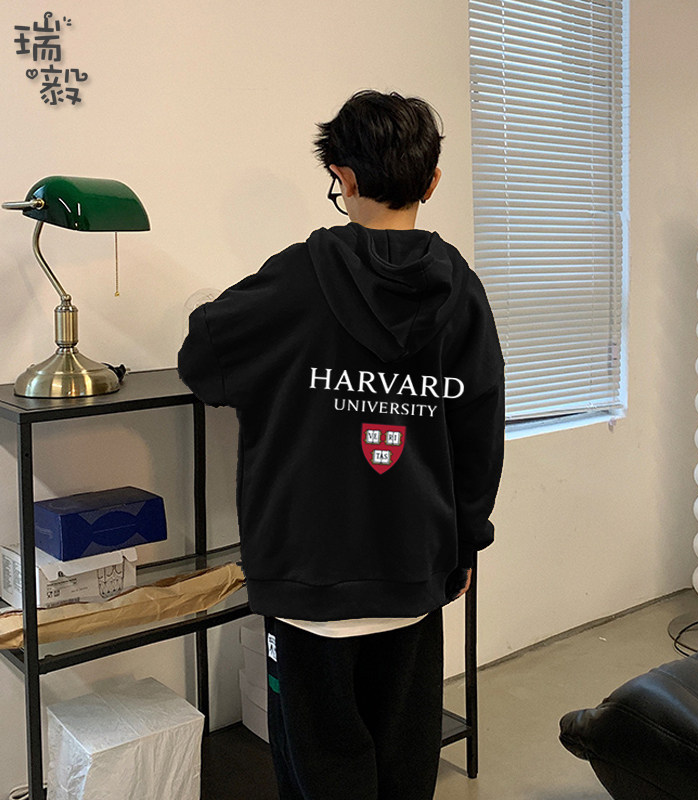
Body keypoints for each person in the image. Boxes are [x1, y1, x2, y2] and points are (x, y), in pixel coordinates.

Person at [178, 89, 504, 800]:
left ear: (344, 178)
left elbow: (201, 359)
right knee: (404, 765)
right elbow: (480, 430)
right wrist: (466, 542)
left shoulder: (295, 278)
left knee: (320, 768)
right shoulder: (461, 291)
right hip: (414, 571)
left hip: (309, 577)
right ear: (432, 181)